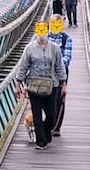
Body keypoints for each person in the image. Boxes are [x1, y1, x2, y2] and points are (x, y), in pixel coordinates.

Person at [14, 21, 67, 150]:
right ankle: (41, 142)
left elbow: (60, 66)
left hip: (51, 85)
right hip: (34, 85)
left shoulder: (55, 48)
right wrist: (18, 83)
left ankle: (44, 132)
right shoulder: (29, 49)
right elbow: (23, 66)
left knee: (52, 115)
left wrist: (63, 83)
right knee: (36, 114)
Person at [48, 14, 72, 136]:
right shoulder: (43, 38)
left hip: (60, 73)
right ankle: (48, 124)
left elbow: (67, 59)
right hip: (45, 73)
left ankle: (56, 127)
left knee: (58, 99)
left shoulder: (66, 39)